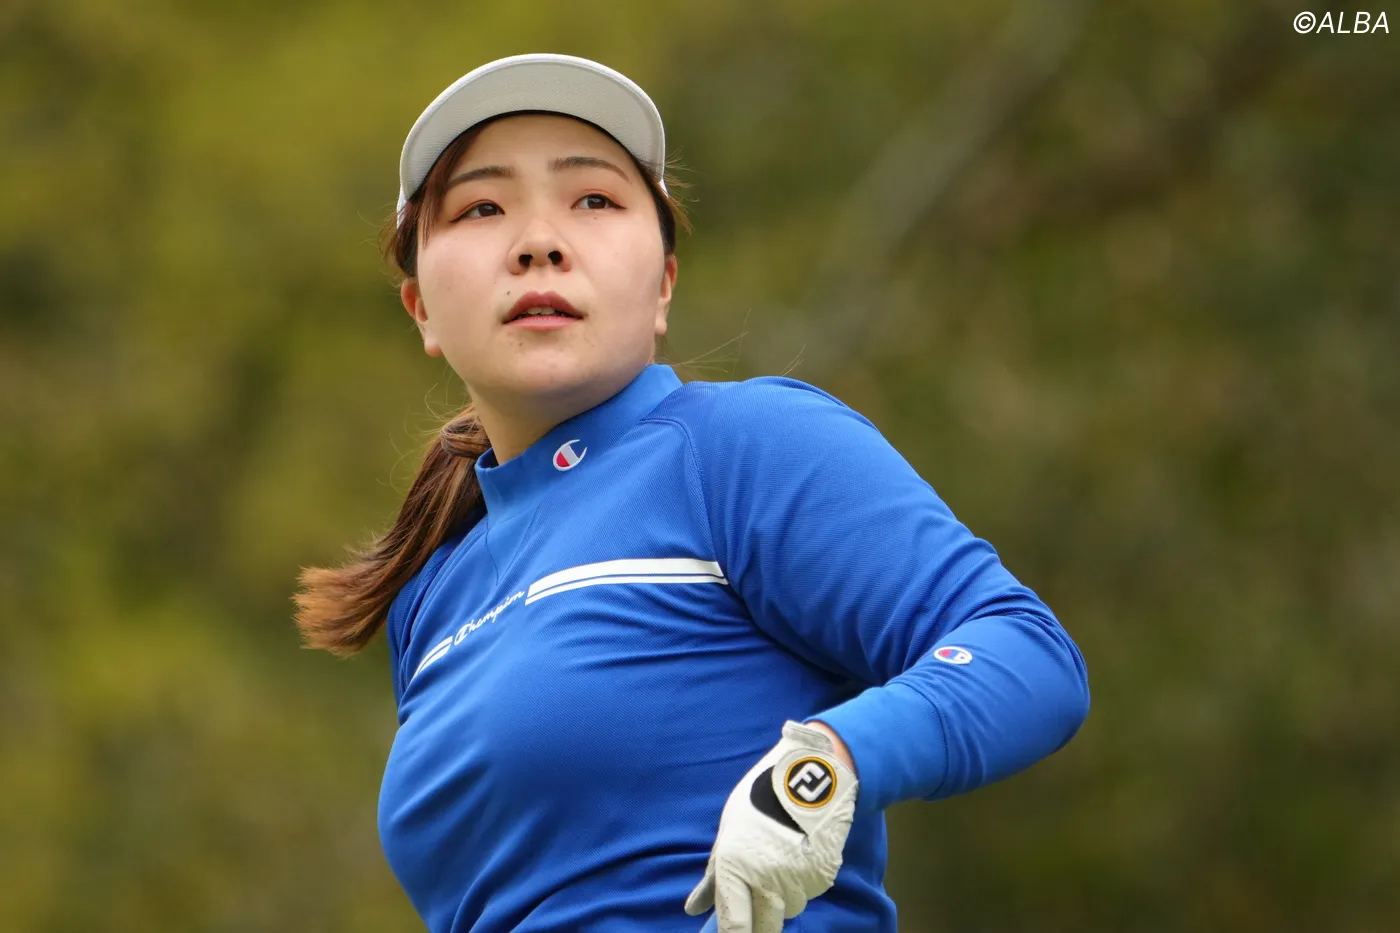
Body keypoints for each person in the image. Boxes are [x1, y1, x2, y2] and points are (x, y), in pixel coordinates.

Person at [294, 52, 1090, 933]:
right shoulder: (433, 593)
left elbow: (1024, 653)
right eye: (482, 208)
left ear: (664, 286)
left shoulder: (740, 446)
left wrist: (828, 766)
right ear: (421, 310)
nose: (538, 241)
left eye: (594, 199)